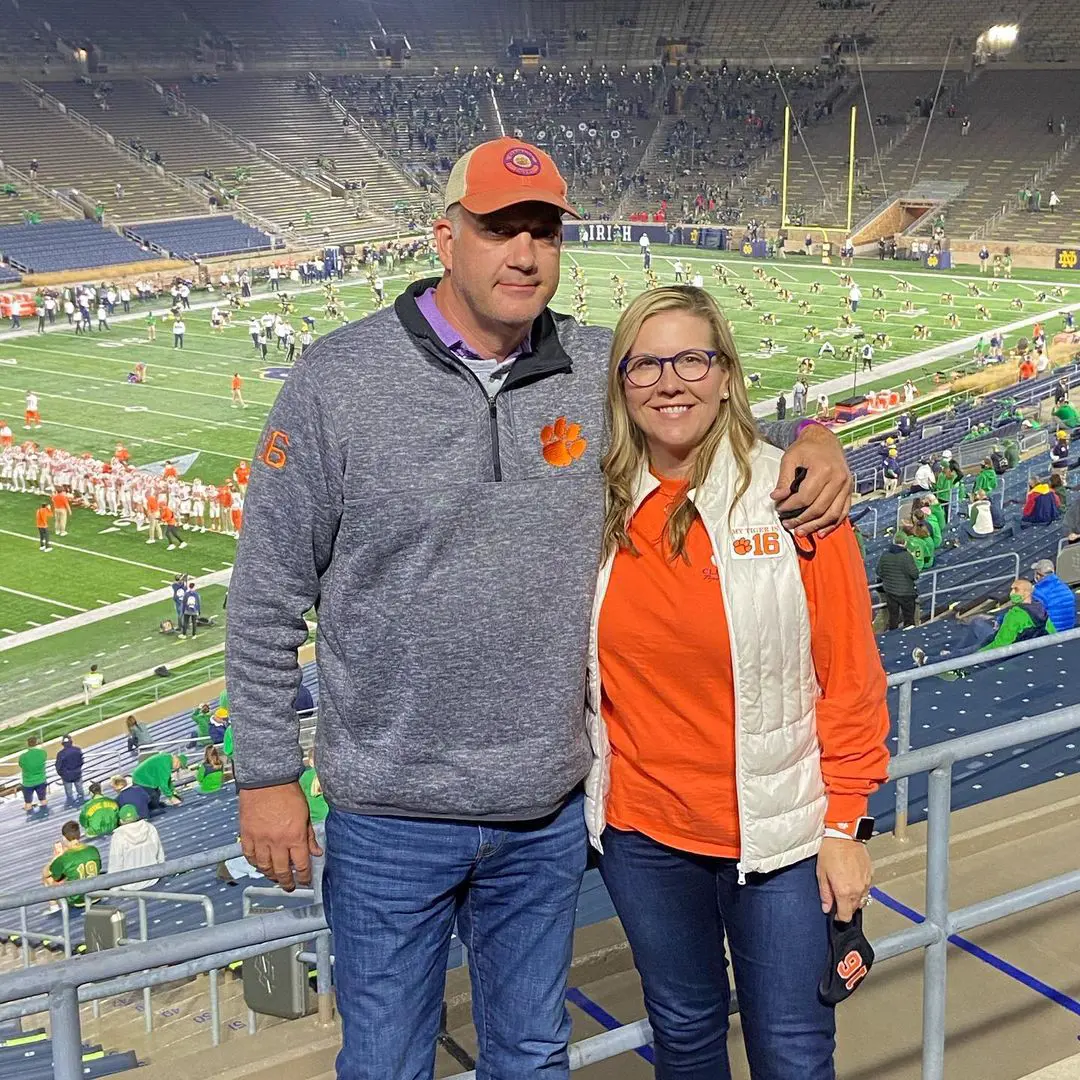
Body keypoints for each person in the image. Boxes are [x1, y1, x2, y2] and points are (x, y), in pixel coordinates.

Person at [225, 136, 854, 1078]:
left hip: (544, 812)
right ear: (445, 236)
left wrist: (816, 435)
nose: (523, 252)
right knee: (388, 1061)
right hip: (391, 814)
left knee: (529, 1056)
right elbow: (267, 592)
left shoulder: (600, 372)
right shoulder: (336, 379)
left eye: (543, 231)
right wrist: (266, 774)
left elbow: (710, 427)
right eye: (498, 228)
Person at [587, 286, 890, 1076]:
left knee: (792, 1052)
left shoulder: (793, 494)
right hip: (643, 837)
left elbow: (851, 677)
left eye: (693, 358)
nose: (670, 381)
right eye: (645, 363)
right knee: (684, 1038)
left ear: (727, 373)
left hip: (782, 840)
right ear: (620, 382)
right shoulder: (594, 504)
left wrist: (846, 829)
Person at [913, 579, 1054, 669]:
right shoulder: (1039, 608)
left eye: (1015, 589)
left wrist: (980, 653)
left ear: (1026, 593)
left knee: (967, 652)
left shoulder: (1016, 615)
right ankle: (952, 653)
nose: (1011, 592)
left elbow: (1000, 644)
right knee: (977, 623)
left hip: (999, 654)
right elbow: (1051, 632)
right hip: (1020, 646)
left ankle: (927, 661)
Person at [42, 822, 101, 908]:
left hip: (77, 900)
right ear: (79, 835)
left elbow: (46, 873)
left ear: (64, 838)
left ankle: (54, 908)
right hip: (96, 894)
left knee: (48, 878)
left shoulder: (63, 858)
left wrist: (54, 859)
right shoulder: (93, 850)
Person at [106, 804, 166, 888]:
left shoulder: (119, 835)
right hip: (153, 879)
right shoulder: (149, 828)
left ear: (121, 820)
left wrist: (114, 890)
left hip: (129, 885)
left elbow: (115, 863)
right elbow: (160, 855)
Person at [876, 531, 920, 630]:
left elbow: (879, 571)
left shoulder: (885, 555)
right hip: (906, 593)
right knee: (909, 619)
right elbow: (915, 575)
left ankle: (893, 637)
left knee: (893, 618)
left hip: (890, 592)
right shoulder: (906, 556)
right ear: (905, 542)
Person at [1031, 558, 1077, 631]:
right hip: (1069, 629)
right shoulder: (1064, 587)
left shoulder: (1038, 592)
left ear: (1038, 575)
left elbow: (1034, 616)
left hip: (1052, 632)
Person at [19, 735, 49, 816]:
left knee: (28, 803)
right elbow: (43, 759)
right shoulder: (42, 753)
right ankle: (46, 815)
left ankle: (30, 818)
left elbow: (21, 765)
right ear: (36, 743)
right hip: (41, 780)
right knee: (43, 800)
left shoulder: (22, 757)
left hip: (28, 782)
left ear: (28, 744)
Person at [299, 750, 329, 824]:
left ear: (310, 762)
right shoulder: (328, 774)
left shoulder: (304, 777)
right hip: (328, 816)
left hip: (314, 818)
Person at [55, 735, 85, 808]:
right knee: (80, 790)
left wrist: (62, 774)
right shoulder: (78, 750)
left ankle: (71, 805)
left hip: (66, 776)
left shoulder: (60, 754)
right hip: (77, 773)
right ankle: (82, 802)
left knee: (69, 793)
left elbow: (58, 766)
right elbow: (81, 762)